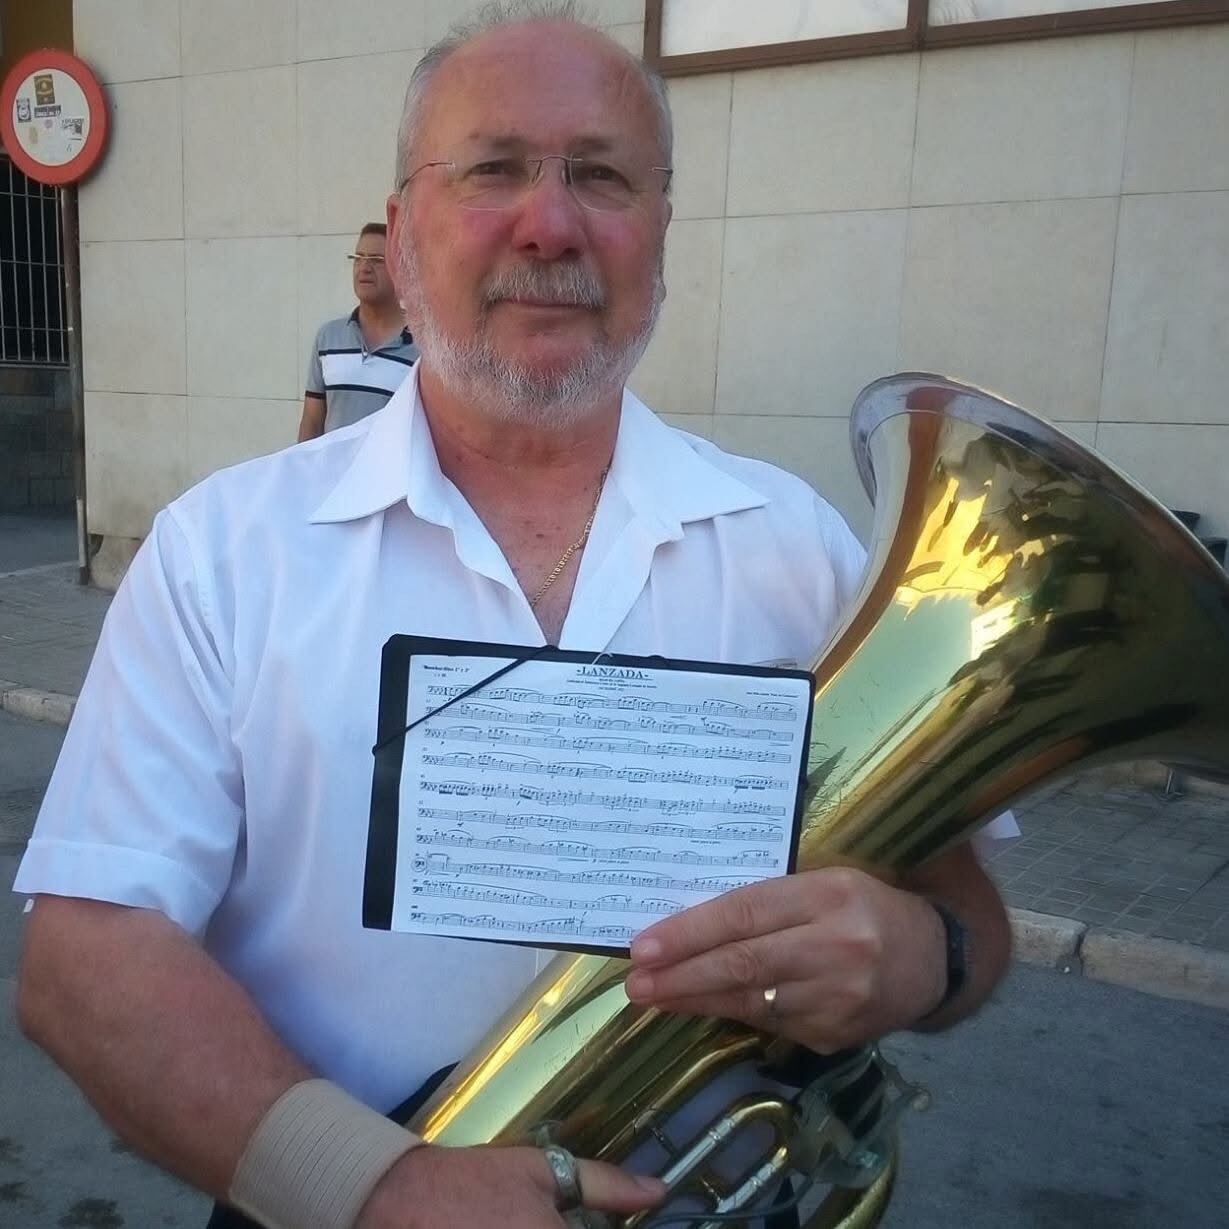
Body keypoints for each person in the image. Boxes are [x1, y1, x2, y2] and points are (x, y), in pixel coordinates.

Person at [14, 5, 1014, 1229]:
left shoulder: (797, 548)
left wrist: (925, 956)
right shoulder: (223, 550)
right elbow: (83, 960)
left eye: (601, 176)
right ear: (402, 227)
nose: (549, 223)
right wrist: (378, 1186)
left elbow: (966, 907)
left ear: (660, 235)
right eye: (493, 168)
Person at [298, 222, 420, 442]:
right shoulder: (328, 338)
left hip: (388, 475)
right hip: (333, 475)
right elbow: (312, 420)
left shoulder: (424, 348)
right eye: (358, 258)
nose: (364, 267)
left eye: (376, 260)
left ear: (401, 270)